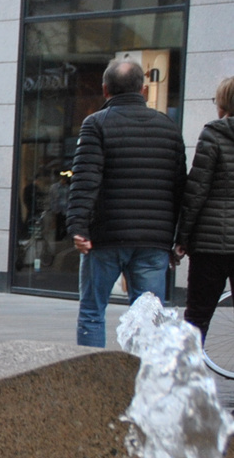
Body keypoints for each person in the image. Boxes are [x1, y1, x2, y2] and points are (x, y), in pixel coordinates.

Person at [66, 57, 186, 348]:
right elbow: (181, 186)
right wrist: (181, 237)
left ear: (105, 89)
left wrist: (78, 227)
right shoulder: (168, 127)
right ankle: (144, 381)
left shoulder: (96, 123)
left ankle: (91, 382)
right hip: (153, 241)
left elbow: (85, 179)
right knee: (148, 320)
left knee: (93, 311)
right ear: (143, 90)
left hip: (106, 237)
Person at [178, 77, 234, 340]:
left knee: (197, 318)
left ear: (223, 104)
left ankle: (189, 377)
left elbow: (197, 190)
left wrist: (183, 236)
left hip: (210, 246)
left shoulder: (213, 134)